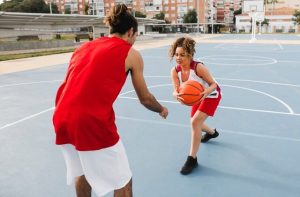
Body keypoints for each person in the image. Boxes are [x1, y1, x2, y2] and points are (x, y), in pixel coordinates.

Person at [52, 4, 168, 197]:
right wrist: (161, 109)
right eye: (136, 35)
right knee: (123, 181)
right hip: (90, 122)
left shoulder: (83, 47)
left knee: (83, 172)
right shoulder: (130, 54)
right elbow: (145, 98)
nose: (135, 39)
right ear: (131, 31)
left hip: (62, 117)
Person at [169, 37, 221, 175]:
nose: (179, 58)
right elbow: (176, 89)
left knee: (194, 122)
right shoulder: (175, 71)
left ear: (190, 55)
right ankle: (212, 133)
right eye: (177, 54)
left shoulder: (198, 67)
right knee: (195, 123)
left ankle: (192, 159)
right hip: (197, 96)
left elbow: (213, 84)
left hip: (211, 95)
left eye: (182, 55)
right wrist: (175, 94)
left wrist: (205, 92)